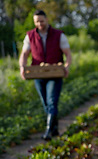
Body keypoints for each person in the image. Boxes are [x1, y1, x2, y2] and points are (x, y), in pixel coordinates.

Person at [19, 10, 72, 141]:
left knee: (52, 101)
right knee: (46, 103)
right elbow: (24, 54)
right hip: (38, 74)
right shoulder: (30, 36)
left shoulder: (59, 35)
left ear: (47, 20)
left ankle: (48, 131)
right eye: (37, 21)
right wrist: (22, 67)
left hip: (55, 74)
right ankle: (54, 129)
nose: (39, 24)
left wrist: (66, 66)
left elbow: (68, 54)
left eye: (41, 21)